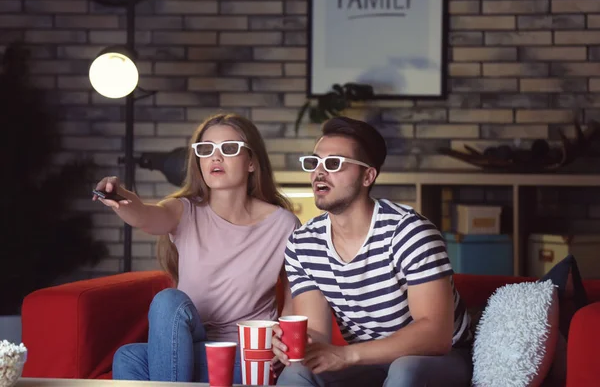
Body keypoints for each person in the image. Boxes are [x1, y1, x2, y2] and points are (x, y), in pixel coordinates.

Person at [93, 113, 300, 383]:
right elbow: (146, 215)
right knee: (159, 313)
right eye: (206, 149)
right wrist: (121, 198)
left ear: (251, 161)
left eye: (229, 148)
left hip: (246, 354)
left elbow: (296, 294)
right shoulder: (183, 211)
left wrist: (282, 341)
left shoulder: (282, 224)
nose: (215, 157)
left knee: (129, 358)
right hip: (185, 347)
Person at [272, 117, 473, 387]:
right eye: (314, 163)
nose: (319, 173)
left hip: (440, 358)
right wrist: (295, 345)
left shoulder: (410, 232)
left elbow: (435, 334)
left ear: (368, 176)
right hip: (366, 360)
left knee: (405, 370)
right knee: (297, 372)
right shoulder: (303, 243)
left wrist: (347, 354)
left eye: (334, 164)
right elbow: (318, 333)